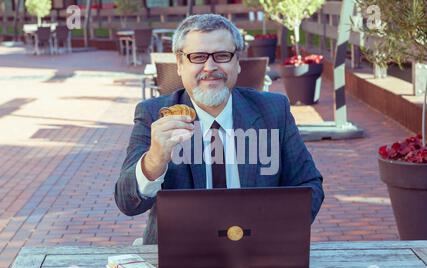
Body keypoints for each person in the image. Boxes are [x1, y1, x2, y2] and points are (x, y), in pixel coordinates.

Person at [115, 14, 324, 244]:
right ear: (180, 64)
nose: (210, 67)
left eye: (222, 56)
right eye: (198, 57)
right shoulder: (153, 115)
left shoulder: (274, 111)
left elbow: (309, 185)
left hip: (256, 254)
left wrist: (273, 234)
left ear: (237, 62)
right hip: (177, 257)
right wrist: (154, 161)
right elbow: (127, 203)